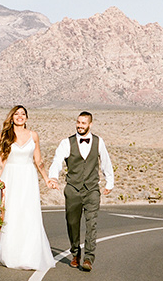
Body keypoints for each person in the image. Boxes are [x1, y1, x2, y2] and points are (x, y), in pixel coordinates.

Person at [0, 105, 57, 271]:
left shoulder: (34, 135)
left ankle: (28, 255)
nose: (20, 116)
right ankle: (8, 253)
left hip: (28, 179)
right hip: (9, 178)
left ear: (27, 117)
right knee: (10, 212)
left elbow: (38, 161)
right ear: (12, 117)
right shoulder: (5, 135)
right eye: (17, 114)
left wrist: (46, 179)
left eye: (23, 114)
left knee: (28, 213)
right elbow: (0, 162)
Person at [48, 111, 114, 272]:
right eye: (78, 122)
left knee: (91, 223)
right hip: (73, 189)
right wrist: (53, 177)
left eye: (83, 123)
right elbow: (57, 160)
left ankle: (89, 258)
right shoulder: (66, 142)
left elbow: (105, 161)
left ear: (90, 125)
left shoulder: (98, 142)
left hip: (92, 189)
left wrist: (109, 182)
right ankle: (75, 253)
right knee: (72, 223)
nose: (80, 125)